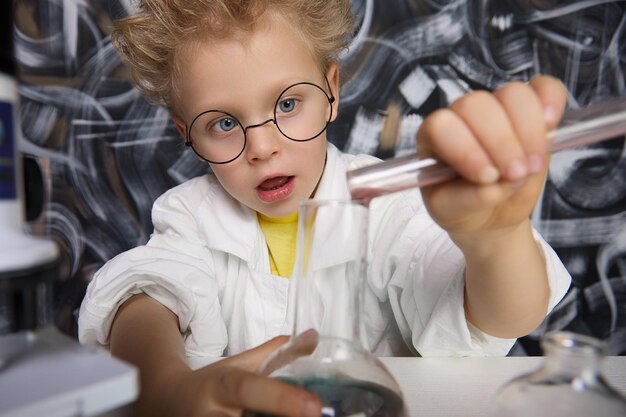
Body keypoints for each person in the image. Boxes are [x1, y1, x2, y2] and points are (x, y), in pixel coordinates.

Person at [78, 1, 571, 416]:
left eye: (288, 105)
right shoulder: (191, 215)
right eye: (224, 123)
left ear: (331, 90)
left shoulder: (387, 205)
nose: (263, 147)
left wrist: (495, 239)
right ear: (186, 134)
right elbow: (144, 296)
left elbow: (502, 317)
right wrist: (163, 384)